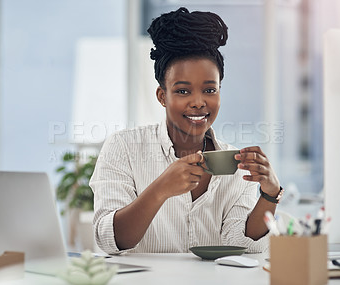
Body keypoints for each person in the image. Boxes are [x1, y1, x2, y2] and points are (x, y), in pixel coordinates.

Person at [89, 7, 282, 254]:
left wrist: (270, 194)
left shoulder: (235, 162)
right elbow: (109, 240)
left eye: (210, 90)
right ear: (162, 96)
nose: (199, 102)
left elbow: (241, 244)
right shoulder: (123, 147)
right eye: (182, 91)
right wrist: (159, 190)